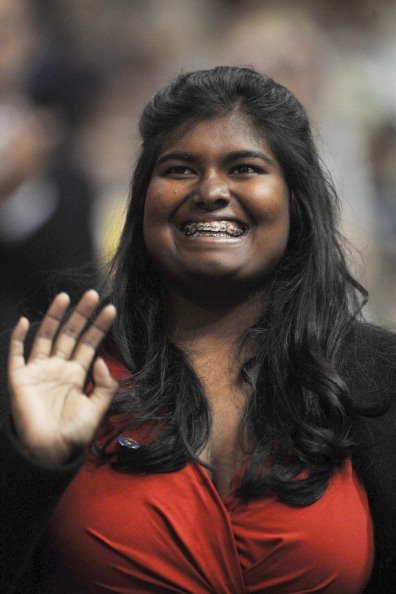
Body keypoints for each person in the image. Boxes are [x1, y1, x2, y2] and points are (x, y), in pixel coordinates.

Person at [0, 66, 394, 593]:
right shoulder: (56, 370)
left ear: (296, 202)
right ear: (143, 201)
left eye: (245, 167)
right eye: (180, 169)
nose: (210, 190)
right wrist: (34, 465)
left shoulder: (379, 377)